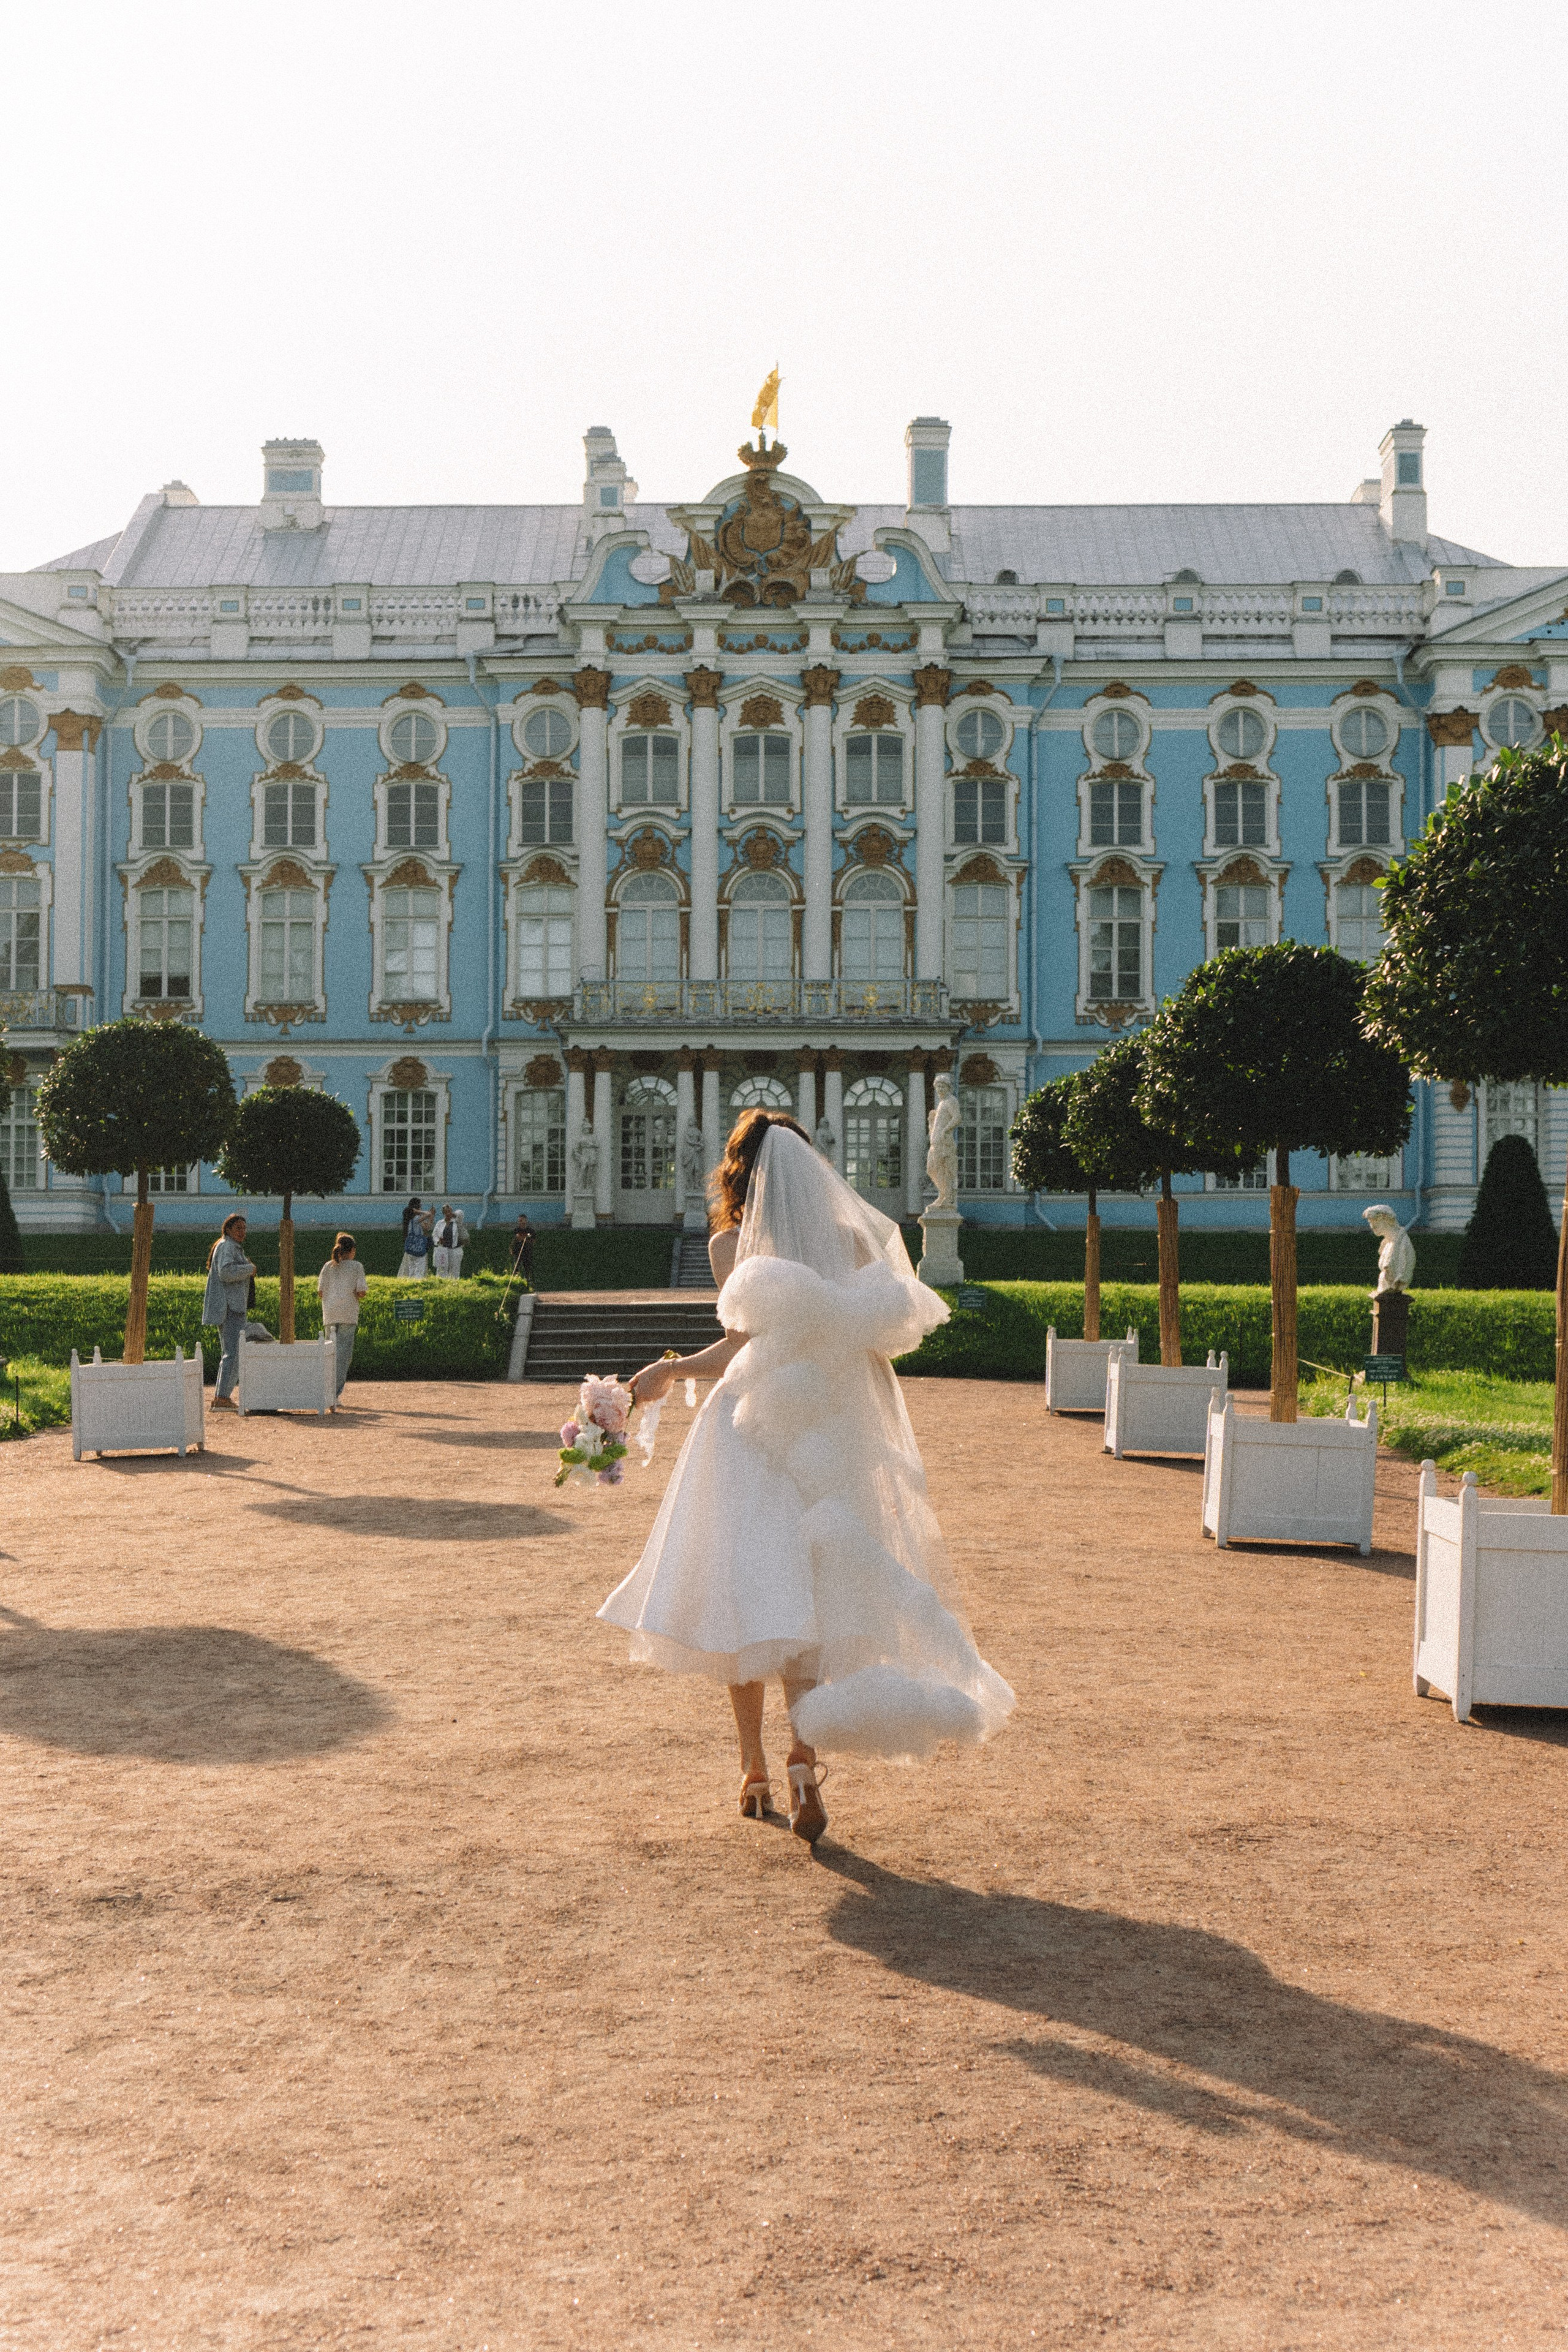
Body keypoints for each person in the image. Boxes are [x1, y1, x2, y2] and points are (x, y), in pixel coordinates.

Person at [599, 1110, 1014, 1845]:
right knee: (808, 1595)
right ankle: (802, 1763)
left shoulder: (733, 1245)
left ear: (738, 1171)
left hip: (748, 1432)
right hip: (823, 1433)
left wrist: (668, 1370)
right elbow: (873, 1344)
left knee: (742, 1593)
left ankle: (753, 1768)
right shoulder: (850, 1240)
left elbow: (739, 1349)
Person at [202, 1213, 257, 1408]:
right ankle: (222, 1398)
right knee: (233, 1353)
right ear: (228, 1230)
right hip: (230, 1307)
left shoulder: (228, 1246)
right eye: (238, 1228)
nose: (243, 1232)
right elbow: (225, 1273)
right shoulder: (227, 1247)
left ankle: (221, 1396)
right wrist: (249, 1269)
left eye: (244, 1228)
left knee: (230, 1352)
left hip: (231, 1306)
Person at [317, 1232, 368, 1404]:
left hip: (330, 1314)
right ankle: (334, 1394)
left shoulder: (327, 1266)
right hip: (348, 1314)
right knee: (343, 1356)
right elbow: (361, 1292)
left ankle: (325, 1390)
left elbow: (320, 1292)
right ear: (352, 1250)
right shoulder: (357, 1267)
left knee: (329, 1354)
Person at [432, 1202, 467, 1280]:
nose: (448, 1214)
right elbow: (434, 1235)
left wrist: (454, 1214)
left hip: (455, 1250)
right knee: (441, 1270)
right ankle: (441, 1285)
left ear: (452, 1212)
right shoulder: (440, 1223)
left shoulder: (457, 1222)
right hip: (443, 1249)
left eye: (449, 1211)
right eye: (446, 1212)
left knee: (455, 1270)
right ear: (443, 1213)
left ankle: (454, 1286)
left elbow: (461, 1213)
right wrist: (438, 1241)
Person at [398, 1200, 433, 1279]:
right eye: (420, 1206)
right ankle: (417, 1285)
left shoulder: (408, 1221)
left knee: (412, 1270)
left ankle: (411, 1284)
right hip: (419, 1247)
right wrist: (418, 1211)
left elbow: (427, 1227)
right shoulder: (416, 1219)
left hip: (411, 1247)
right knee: (420, 1270)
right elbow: (428, 1214)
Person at [511, 1213, 536, 1287]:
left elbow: (533, 1241)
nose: (521, 1222)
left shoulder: (531, 1231)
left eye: (522, 1221)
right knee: (517, 1267)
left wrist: (525, 1239)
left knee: (528, 1268)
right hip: (518, 1252)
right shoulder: (516, 1230)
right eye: (519, 1221)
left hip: (527, 1252)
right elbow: (516, 1239)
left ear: (526, 1221)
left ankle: (529, 1283)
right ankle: (516, 1282)